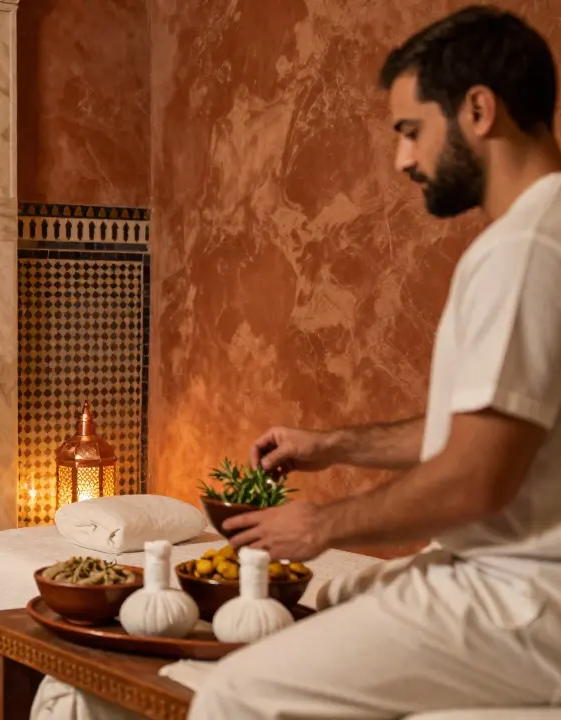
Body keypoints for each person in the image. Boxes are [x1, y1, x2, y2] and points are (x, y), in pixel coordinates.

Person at [189, 6, 561, 718]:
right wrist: (334, 445)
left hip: (525, 594)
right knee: (330, 597)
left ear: (479, 110)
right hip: (507, 574)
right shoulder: (538, 235)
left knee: (232, 698)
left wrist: (321, 527)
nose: (403, 160)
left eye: (411, 130)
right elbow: (490, 426)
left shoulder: (527, 250)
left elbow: (477, 477)